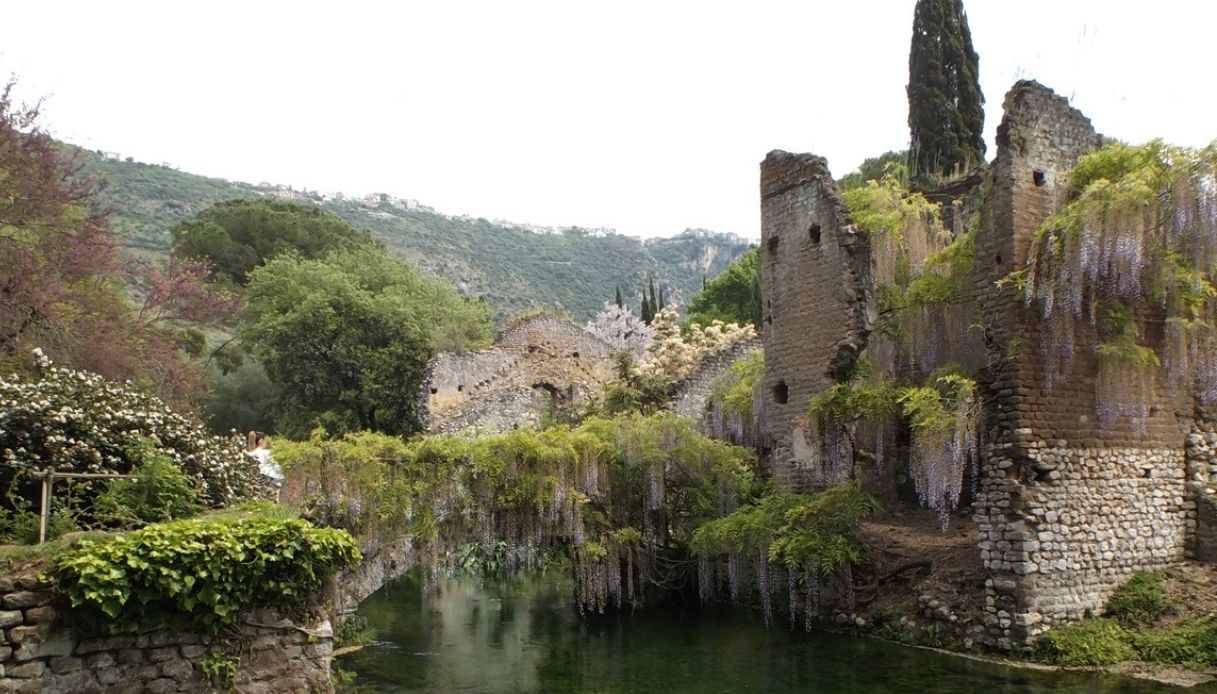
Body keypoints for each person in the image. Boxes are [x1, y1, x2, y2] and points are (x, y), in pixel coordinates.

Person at [246, 430, 284, 501]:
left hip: (254, 479)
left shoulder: (249, 453)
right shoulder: (266, 452)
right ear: (261, 441)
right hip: (268, 477)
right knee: (278, 483)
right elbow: (275, 465)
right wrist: (283, 472)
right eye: (265, 440)